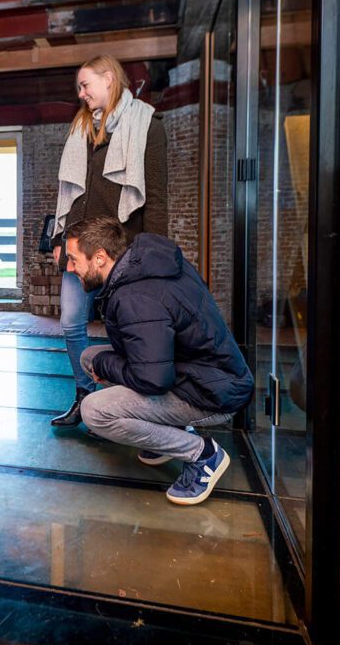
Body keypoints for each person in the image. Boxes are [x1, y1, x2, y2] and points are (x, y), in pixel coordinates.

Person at [63, 216, 252, 506]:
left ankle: (201, 454)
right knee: (89, 356)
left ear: (99, 257)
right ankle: (171, 431)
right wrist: (100, 364)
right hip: (198, 373)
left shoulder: (135, 297)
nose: (69, 267)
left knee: (95, 411)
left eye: (74, 259)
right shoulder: (144, 265)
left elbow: (153, 379)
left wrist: (105, 367)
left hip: (212, 393)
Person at [49, 55, 168, 428]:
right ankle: (85, 395)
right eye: (79, 88)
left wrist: (152, 252)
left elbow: (157, 198)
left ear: (108, 79)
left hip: (121, 249)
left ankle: (124, 401)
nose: (81, 93)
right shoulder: (81, 127)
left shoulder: (147, 123)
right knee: (71, 323)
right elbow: (69, 192)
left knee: (126, 329)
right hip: (78, 248)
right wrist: (59, 235)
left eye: (85, 85)